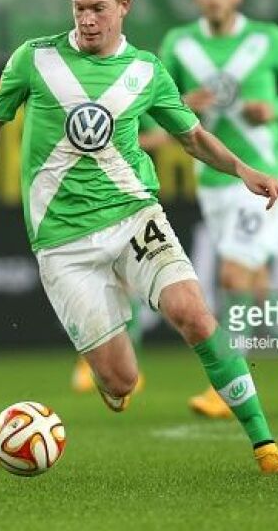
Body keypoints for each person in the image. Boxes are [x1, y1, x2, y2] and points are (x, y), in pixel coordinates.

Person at [0, 0, 278, 474]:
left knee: (194, 314)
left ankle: (267, 448)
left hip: (134, 217)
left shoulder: (146, 70)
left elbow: (191, 136)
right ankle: (114, 373)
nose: (86, 19)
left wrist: (243, 169)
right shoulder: (35, 59)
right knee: (122, 380)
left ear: (124, 5)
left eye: (97, 8)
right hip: (63, 242)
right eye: (79, 8)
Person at [158, 0, 278, 418]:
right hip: (213, 178)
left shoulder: (266, 39)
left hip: (263, 173)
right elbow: (159, 101)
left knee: (232, 276)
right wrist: (185, 102)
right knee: (257, 290)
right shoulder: (180, 43)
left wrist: (274, 110)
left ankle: (228, 386)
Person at [70, 113, 168, 394]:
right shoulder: (77, 104)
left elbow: (161, 136)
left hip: (125, 196)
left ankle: (129, 363)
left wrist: (118, 144)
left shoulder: (126, 99)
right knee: (89, 281)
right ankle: (89, 361)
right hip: (84, 198)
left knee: (124, 284)